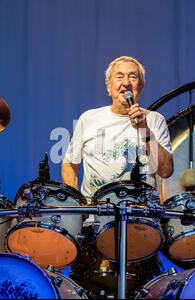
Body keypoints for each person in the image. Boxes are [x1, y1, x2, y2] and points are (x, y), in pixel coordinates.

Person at [61, 56, 174, 202]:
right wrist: (76, 206)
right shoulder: (88, 119)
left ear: (142, 85)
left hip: (140, 215)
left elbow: (165, 171)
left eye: (133, 77)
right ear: (108, 87)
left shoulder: (155, 120)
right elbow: (69, 163)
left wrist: (145, 130)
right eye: (119, 77)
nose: (126, 83)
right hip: (96, 215)